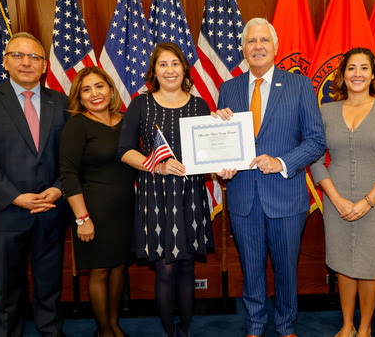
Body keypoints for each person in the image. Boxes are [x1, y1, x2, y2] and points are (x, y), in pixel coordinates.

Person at [214, 18, 326, 337]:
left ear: (276, 47)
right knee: (251, 268)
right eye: (251, 41)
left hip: (286, 196)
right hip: (242, 196)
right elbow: (225, 144)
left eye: (264, 40)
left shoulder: (299, 85)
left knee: (286, 269)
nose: (258, 46)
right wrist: (222, 165)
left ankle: (286, 324)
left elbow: (316, 141)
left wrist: (281, 162)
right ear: (243, 49)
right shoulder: (229, 89)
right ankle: (255, 324)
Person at [0, 32, 68, 336]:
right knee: (8, 292)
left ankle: (51, 331)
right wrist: (16, 197)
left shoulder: (60, 102)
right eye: (18, 56)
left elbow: (73, 156)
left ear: (45, 66)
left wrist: (60, 187)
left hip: (50, 210)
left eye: (35, 57)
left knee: (49, 286)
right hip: (4, 213)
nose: (27, 62)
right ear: (5, 62)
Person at [309, 48, 375, 337]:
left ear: (374, 74)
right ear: (342, 75)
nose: (357, 74)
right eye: (351, 68)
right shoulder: (326, 110)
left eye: (364, 68)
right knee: (343, 263)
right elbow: (315, 159)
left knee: (371, 265)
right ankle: (347, 325)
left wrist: (367, 202)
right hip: (335, 200)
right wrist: (336, 199)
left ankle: (364, 328)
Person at [118, 42, 214, 337]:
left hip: (190, 195)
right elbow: (124, 150)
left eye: (175, 63)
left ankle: (184, 329)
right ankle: (168, 332)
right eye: (163, 64)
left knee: (186, 267)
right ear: (154, 71)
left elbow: (209, 150)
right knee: (165, 269)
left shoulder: (199, 105)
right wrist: (155, 165)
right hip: (155, 194)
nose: (170, 70)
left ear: (184, 69)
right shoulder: (140, 104)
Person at [59, 67, 134, 337]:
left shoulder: (126, 120)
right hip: (93, 212)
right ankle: (103, 331)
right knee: (100, 270)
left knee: (119, 267)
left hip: (125, 210)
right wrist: (82, 219)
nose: (95, 94)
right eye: (86, 90)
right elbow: (67, 173)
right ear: (79, 98)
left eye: (99, 86)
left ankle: (114, 326)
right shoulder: (77, 125)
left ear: (111, 89)